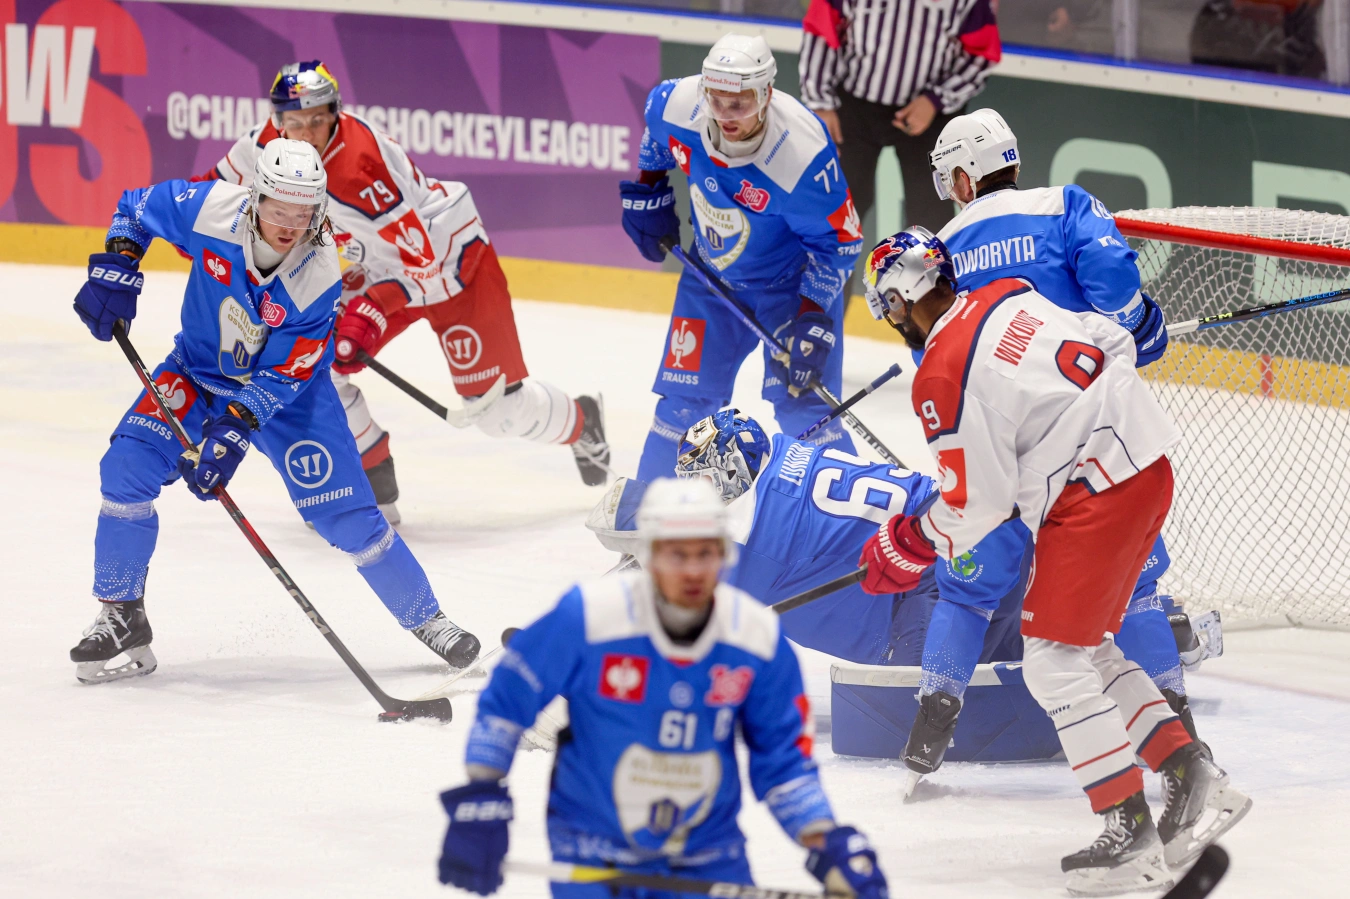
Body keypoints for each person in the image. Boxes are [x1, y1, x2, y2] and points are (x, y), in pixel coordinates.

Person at [858, 228, 1250, 893]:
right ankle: (1192, 775)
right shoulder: (1007, 292)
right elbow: (1111, 337)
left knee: (1052, 662)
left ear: (903, 296)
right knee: (1088, 649)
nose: (893, 318)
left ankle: (1128, 828)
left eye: (888, 304)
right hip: (1145, 463)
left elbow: (977, 504)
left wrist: (910, 541)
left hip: (1094, 491)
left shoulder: (941, 371)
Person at [590, 409, 1215, 794]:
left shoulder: (754, 548)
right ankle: (1163, 627)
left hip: (922, 592)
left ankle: (1148, 644)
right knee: (1050, 622)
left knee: (988, 679)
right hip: (975, 526)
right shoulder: (782, 449)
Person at [68, 138, 480, 685]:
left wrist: (231, 434)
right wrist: (118, 266)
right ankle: (122, 614)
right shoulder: (211, 208)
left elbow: (284, 374)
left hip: (291, 400)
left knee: (347, 518)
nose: (290, 225)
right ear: (256, 197)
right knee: (126, 468)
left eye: (303, 212)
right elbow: (135, 208)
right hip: (195, 372)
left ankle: (429, 620)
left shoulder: (318, 271)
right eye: (279, 209)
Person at [436, 478, 889, 899]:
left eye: (705, 553)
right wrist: (481, 796)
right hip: (593, 850)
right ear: (649, 555)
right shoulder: (588, 617)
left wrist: (828, 841)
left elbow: (784, 764)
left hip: (708, 856)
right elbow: (506, 701)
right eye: (677, 554)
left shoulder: (758, 641)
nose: (693, 570)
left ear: (725, 554)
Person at [198, 61, 609, 523]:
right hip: (383, 264)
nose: (307, 133)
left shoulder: (359, 168)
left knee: (499, 413)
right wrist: (160, 230)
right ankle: (374, 484)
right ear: (277, 121)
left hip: (453, 266)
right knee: (311, 360)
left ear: (335, 113)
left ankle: (582, 422)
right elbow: (204, 196)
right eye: (295, 121)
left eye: (317, 119)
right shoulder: (265, 148)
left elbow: (424, 262)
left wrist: (372, 311)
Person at [927, 107, 1216, 733]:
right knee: (1132, 585)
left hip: (1001, 445)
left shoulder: (941, 249)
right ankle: (1175, 719)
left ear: (963, 177)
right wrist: (1140, 324)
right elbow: (1113, 278)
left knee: (969, 584)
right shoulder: (1063, 203)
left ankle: (933, 717)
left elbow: (940, 350)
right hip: (1092, 438)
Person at [620, 34, 862, 486]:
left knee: (804, 409)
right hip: (710, 279)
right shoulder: (678, 104)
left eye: (741, 103)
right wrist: (649, 186)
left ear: (766, 93)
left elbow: (840, 244)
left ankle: (855, 520)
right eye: (717, 100)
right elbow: (657, 131)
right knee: (681, 408)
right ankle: (649, 518)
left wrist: (813, 315)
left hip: (792, 288)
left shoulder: (803, 153)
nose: (726, 115)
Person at [799, 0, 1001, 239]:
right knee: (840, 204)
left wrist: (935, 100)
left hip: (929, 115)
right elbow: (822, 29)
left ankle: (931, 264)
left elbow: (981, 53)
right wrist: (820, 104)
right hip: (854, 106)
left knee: (931, 211)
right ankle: (827, 264)